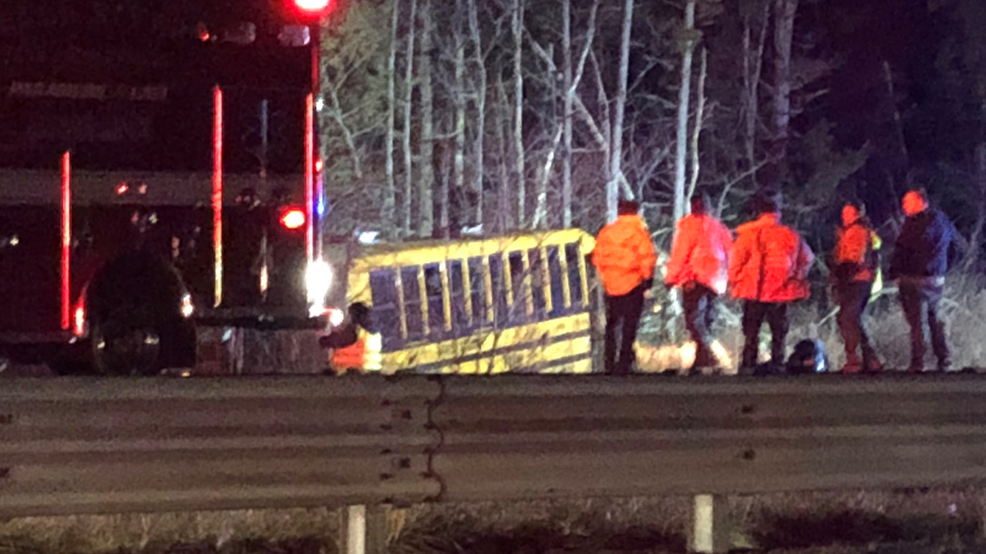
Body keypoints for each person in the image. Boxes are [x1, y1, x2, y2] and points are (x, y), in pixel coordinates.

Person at [729, 190, 814, 373]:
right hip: (780, 291)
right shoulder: (790, 235)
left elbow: (736, 260)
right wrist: (796, 277)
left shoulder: (748, 234)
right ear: (777, 213)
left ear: (759, 212)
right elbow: (807, 258)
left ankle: (749, 364)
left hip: (754, 290)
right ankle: (777, 363)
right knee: (779, 331)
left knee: (751, 331)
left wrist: (736, 280)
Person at [888, 189, 960, 372]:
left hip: (914, 279)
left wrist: (896, 273)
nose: (904, 206)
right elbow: (955, 247)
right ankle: (943, 358)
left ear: (921, 202)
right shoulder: (943, 221)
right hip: (936, 280)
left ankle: (918, 362)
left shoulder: (913, 224)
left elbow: (902, 251)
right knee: (934, 319)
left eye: (908, 202)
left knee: (917, 322)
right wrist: (943, 269)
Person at [664, 192, 733, 372]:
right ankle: (702, 361)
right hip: (715, 282)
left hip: (694, 279)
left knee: (694, 321)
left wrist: (671, 278)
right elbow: (731, 254)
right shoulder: (719, 228)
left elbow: (680, 254)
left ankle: (711, 355)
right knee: (705, 321)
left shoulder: (689, 227)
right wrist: (732, 278)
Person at [591, 200, 657, 375]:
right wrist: (648, 282)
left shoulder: (606, 233)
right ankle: (624, 363)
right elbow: (647, 259)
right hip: (632, 285)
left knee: (612, 325)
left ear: (620, 212)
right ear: (636, 212)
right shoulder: (639, 234)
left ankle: (608, 362)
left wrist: (607, 276)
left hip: (611, 286)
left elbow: (597, 259)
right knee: (629, 325)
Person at [831, 200, 883, 373]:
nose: (844, 217)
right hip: (859, 280)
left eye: (848, 213)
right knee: (852, 319)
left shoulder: (857, 231)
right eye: (843, 213)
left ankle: (854, 360)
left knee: (847, 318)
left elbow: (852, 259)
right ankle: (871, 359)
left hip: (856, 280)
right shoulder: (856, 232)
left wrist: (840, 274)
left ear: (857, 214)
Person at [320, 302, 383, 374]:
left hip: (357, 372)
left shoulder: (359, 332)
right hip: (364, 372)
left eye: (350, 315)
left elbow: (343, 340)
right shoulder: (361, 331)